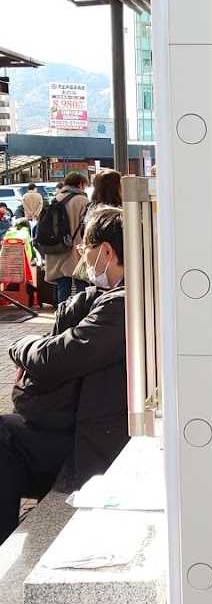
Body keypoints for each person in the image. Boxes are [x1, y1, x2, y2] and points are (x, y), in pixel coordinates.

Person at [0, 205, 128, 546]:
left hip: (100, 445)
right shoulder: (117, 297)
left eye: (85, 249)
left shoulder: (121, 305)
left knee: (4, 437)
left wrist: (21, 346)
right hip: (93, 429)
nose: (83, 257)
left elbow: (57, 356)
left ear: (106, 251)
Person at [42, 170, 89, 304]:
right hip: (77, 248)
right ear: (80, 184)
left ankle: (62, 315)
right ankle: (79, 314)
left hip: (57, 247)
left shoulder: (54, 199)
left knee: (63, 284)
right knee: (81, 283)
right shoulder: (83, 201)